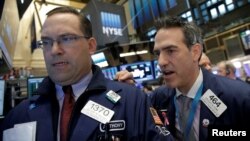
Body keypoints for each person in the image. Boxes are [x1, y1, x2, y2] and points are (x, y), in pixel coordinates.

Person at [0, 7, 173, 141]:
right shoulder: (18, 115)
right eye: (46, 42)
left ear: (90, 46)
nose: (54, 50)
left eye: (66, 39)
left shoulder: (133, 101)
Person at [117, 16, 250, 141]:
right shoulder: (158, 99)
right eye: (158, 53)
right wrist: (130, 91)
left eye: (170, 51)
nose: (161, 62)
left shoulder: (239, 97)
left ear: (195, 52)